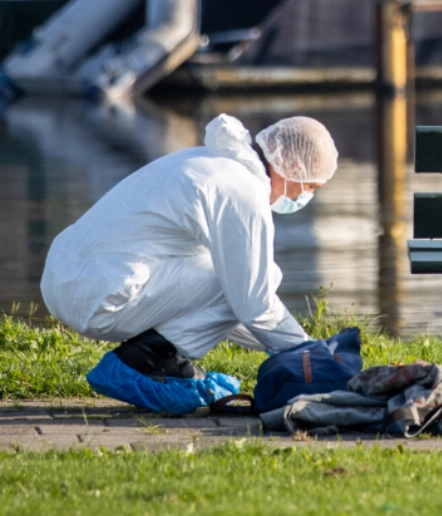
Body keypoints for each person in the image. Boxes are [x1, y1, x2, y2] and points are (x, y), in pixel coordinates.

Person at [41, 114, 338, 379]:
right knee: (259, 276)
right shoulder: (242, 192)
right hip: (99, 298)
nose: (307, 196)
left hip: (65, 281)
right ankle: (150, 359)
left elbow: (231, 306)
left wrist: (291, 348)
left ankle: (153, 352)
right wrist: (311, 355)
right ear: (296, 166)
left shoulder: (210, 161)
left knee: (232, 272)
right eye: (312, 187)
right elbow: (253, 302)